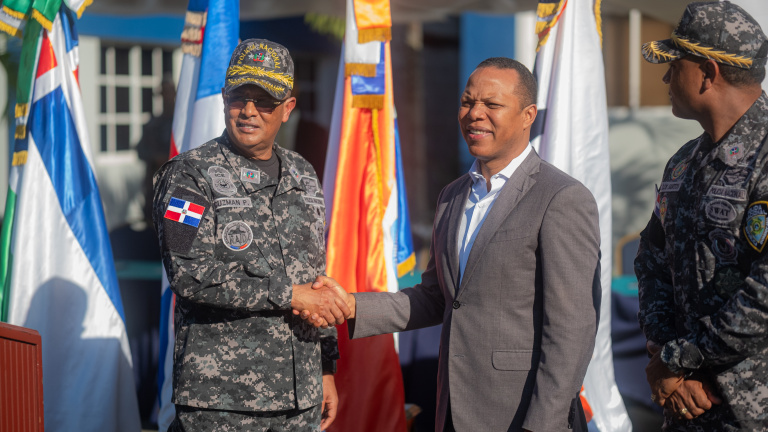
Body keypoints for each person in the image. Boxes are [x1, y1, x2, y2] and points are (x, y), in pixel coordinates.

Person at [302, 58, 602, 432]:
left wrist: (542, 425)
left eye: (492, 105)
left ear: (528, 115)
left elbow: (572, 330)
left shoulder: (561, 197)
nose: (475, 114)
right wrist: (351, 305)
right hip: (454, 412)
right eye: (467, 102)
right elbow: (437, 298)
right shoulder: (452, 196)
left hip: (523, 417)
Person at [152, 39, 349, 432]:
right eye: (239, 97)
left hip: (300, 398)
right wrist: (288, 293)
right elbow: (189, 274)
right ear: (225, 99)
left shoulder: (303, 174)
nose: (248, 111)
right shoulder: (191, 175)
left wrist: (326, 367)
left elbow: (315, 276)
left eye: (264, 101)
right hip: (222, 403)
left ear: (287, 108)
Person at [635, 2, 768, 430]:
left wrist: (680, 360)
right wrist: (666, 355)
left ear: (708, 73)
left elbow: (763, 295)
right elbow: (651, 260)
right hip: (685, 406)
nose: (665, 76)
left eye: (675, 64)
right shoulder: (682, 163)